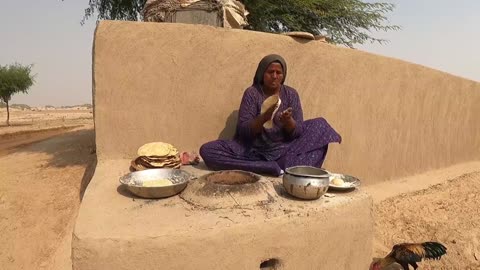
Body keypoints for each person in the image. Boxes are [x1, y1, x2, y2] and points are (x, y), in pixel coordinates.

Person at [199, 54, 341, 176]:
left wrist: (288, 121)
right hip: (252, 150)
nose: (274, 76)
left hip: (283, 149)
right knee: (207, 151)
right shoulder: (252, 93)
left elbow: (297, 132)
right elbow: (243, 131)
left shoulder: (291, 94)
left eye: (278, 73)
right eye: (270, 72)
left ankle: (283, 166)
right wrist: (264, 118)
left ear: (283, 75)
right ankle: (267, 168)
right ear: (262, 74)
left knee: (320, 127)